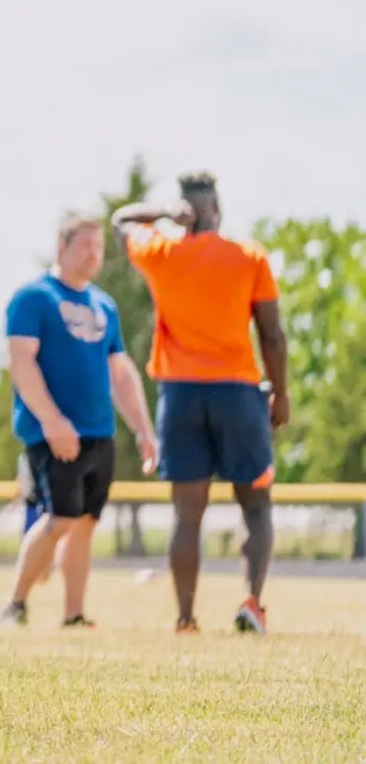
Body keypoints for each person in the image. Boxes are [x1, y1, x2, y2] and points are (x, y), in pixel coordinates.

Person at [114, 173, 288, 635]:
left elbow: (120, 221)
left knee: (186, 512)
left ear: (184, 211)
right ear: (219, 209)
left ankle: (186, 618)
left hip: (181, 393)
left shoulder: (161, 252)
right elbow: (271, 332)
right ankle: (252, 602)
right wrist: (281, 391)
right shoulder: (249, 256)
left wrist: (163, 214)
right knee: (255, 504)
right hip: (236, 391)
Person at [0, 214, 158, 631]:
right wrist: (52, 421)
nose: (94, 254)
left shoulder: (104, 304)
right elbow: (21, 363)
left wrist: (143, 429)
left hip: (98, 431)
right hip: (53, 433)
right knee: (61, 518)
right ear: (62, 247)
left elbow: (120, 372)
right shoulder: (34, 297)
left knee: (85, 524)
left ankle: (74, 614)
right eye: (85, 245)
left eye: (99, 247)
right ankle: (14, 604)